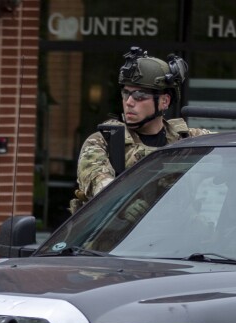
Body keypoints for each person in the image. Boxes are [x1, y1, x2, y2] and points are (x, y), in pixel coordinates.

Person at [69, 47, 213, 214]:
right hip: (121, 231)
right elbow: (99, 181)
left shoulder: (189, 140)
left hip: (177, 228)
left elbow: (231, 149)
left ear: (164, 101)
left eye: (139, 96)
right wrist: (122, 204)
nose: (129, 102)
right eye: (126, 94)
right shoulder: (103, 141)